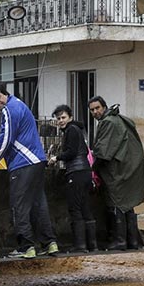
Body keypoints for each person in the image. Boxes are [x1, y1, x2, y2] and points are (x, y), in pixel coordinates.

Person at [0, 83, 58, 259]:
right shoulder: (21, 105)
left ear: (4, 94)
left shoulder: (9, 110)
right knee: (39, 204)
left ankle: (26, 247)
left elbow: (6, 138)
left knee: (19, 206)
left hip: (23, 163)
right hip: (38, 161)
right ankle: (50, 243)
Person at [88, 96, 144, 250]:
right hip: (126, 169)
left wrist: (92, 168)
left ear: (104, 107)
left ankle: (120, 241)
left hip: (116, 171)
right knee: (127, 204)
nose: (95, 112)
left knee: (116, 204)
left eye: (97, 108)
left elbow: (103, 151)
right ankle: (132, 241)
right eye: (92, 110)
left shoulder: (108, 122)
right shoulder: (118, 119)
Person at [48, 104, 97, 252]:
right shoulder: (76, 130)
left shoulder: (71, 130)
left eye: (63, 117)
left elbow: (71, 152)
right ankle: (92, 245)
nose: (61, 121)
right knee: (84, 207)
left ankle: (80, 245)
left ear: (70, 117)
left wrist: (56, 158)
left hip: (75, 172)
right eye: (58, 119)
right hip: (84, 172)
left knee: (75, 208)